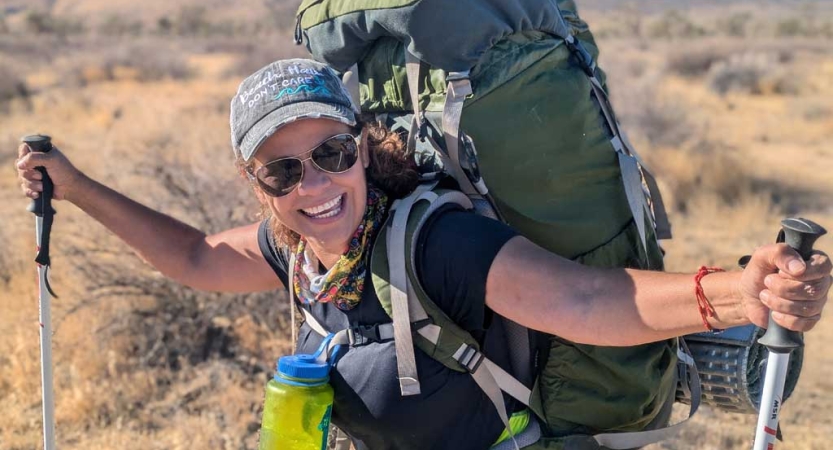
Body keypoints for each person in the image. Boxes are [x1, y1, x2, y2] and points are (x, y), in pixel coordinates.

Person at [16, 59, 832, 450]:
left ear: (362, 148)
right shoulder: (296, 247)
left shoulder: (434, 242)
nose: (316, 183)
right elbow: (195, 256)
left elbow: (585, 302)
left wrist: (736, 294)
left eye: (334, 151)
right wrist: (78, 186)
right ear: (254, 181)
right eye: (282, 169)